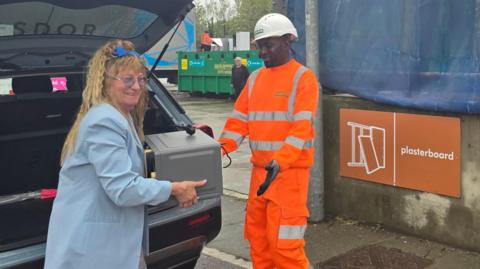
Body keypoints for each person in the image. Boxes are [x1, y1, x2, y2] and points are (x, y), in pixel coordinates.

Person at [44, 39, 206, 269]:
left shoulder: (120, 115)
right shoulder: (104, 121)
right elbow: (123, 189)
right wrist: (174, 188)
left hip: (110, 241)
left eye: (141, 79)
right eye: (127, 79)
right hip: (93, 247)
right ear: (105, 82)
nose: (137, 87)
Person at [218, 13, 319, 269]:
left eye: (268, 45)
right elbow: (237, 123)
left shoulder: (303, 78)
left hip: (289, 177)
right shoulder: (254, 80)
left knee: (285, 250)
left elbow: (301, 129)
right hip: (259, 174)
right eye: (259, 46)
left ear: (288, 41)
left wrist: (281, 161)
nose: (262, 52)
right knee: (259, 243)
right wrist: (218, 148)